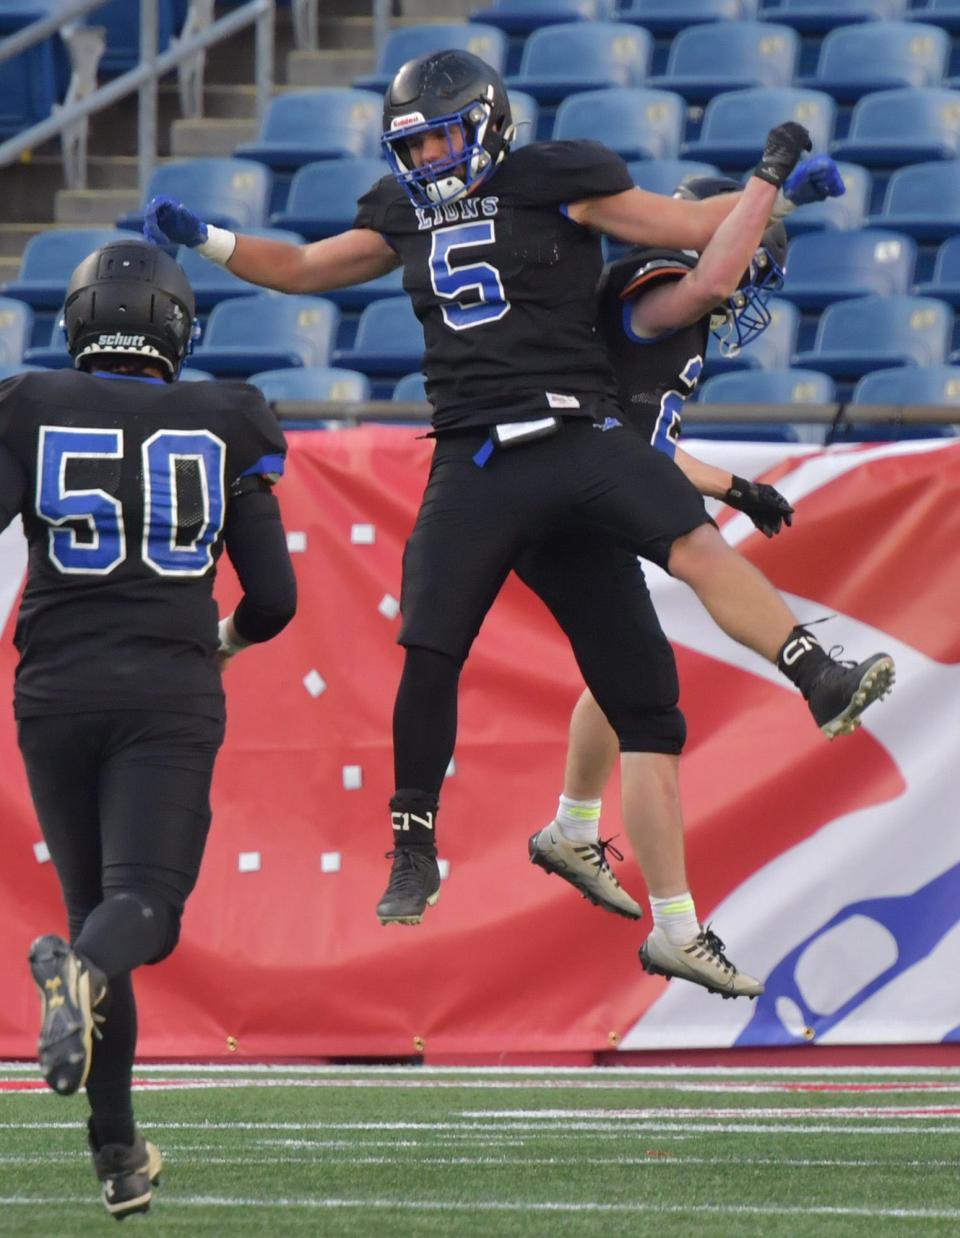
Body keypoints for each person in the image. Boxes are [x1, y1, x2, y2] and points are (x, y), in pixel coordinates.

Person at [142, 51, 893, 983]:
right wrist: (207, 237)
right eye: (417, 142)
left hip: (579, 431)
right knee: (431, 641)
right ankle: (413, 842)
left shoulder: (556, 177)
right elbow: (299, 267)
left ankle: (816, 673)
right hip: (475, 455)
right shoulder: (405, 208)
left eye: (447, 134)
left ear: (491, 123)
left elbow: (695, 231)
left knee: (691, 547)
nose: (434, 156)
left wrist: (771, 193)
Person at [0, 240, 297, 1219]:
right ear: (178, 326)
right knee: (139, 916)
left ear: (79, 322)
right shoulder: (226, 416)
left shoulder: (29, 403)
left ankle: (119, 1151)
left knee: (100, 916)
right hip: (167, 687)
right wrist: (225, 641)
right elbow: (277, 599)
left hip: (53, 687)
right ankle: (78, 976)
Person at [522, 174, 813, 994]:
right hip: (561, 486)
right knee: (651, 703)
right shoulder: (658, 286)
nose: (745, 283)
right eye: (749, 258)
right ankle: (669, 920)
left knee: (629, 679)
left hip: (571, 483)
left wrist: (734, 487)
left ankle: (574, 828)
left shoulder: (671, 319)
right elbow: (634, 427)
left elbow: (645, 433)